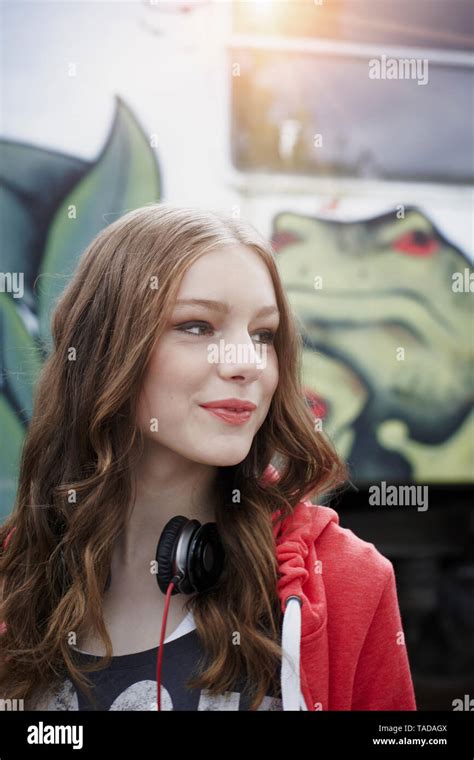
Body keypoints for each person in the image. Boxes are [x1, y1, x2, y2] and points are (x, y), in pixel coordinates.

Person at [0, 202, 416, 711]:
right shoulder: (14, 577)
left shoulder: (348, 579)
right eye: (198, 326)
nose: (246, 363)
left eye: (263, 334)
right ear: (105, 347)